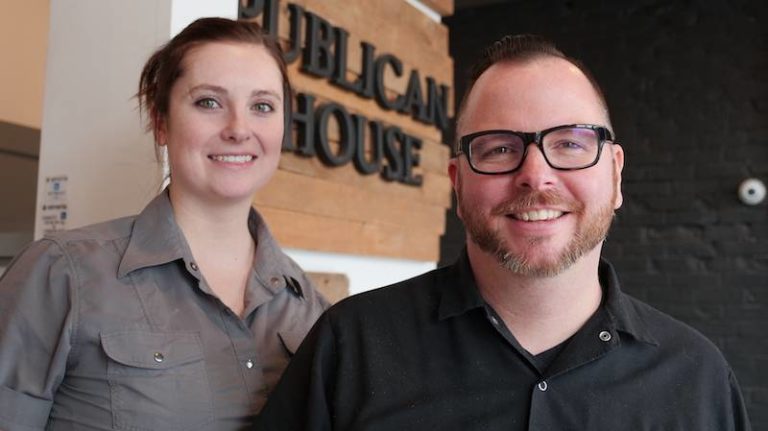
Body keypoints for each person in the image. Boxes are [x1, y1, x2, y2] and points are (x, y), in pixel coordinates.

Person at [255, 34, 751, 430]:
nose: (536, 175)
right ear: (457, 182)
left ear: (616, 174)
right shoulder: (351, 347)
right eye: (498, 149)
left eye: (571, 143)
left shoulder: (698, 378)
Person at [0, 18, 328, 430]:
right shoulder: (61, 274)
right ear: (161, 122)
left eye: (262, 106)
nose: (239, 129)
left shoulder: (312, 310)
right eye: (209, 102)